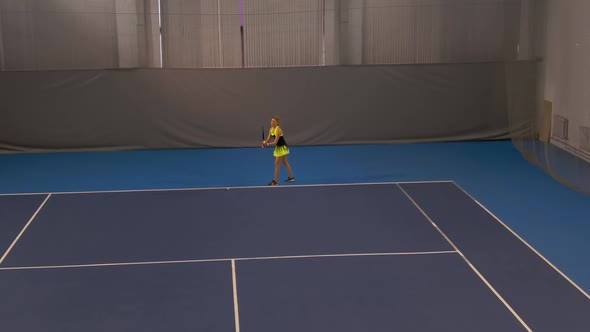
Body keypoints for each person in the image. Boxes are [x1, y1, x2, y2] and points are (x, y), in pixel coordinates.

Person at [262, 116, 295, 186]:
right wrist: (265, 142)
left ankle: (275, 181)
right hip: (279, 147)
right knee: (285, 162)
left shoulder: (278, 130)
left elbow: (275, 142)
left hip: (282, 147)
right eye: (271, 121)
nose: (272, 122)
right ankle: (292, 177)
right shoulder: (271, 129)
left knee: (276, 163)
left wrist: (267, 144)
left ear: (277, 123)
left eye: (274, 121)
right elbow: (268, 139)